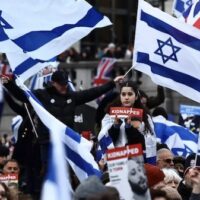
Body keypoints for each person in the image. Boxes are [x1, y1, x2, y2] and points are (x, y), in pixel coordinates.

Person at [98, 80, 157, 164]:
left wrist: (131, 128)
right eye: (123, 94)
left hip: (136, 163)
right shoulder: (110, 115)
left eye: (130, 94)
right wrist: (116, 126)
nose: (126, 97)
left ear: (136, 96)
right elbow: (105, 139)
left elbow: (148, 143)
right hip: (116, 161)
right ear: (120, 96)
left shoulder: (144, 117)